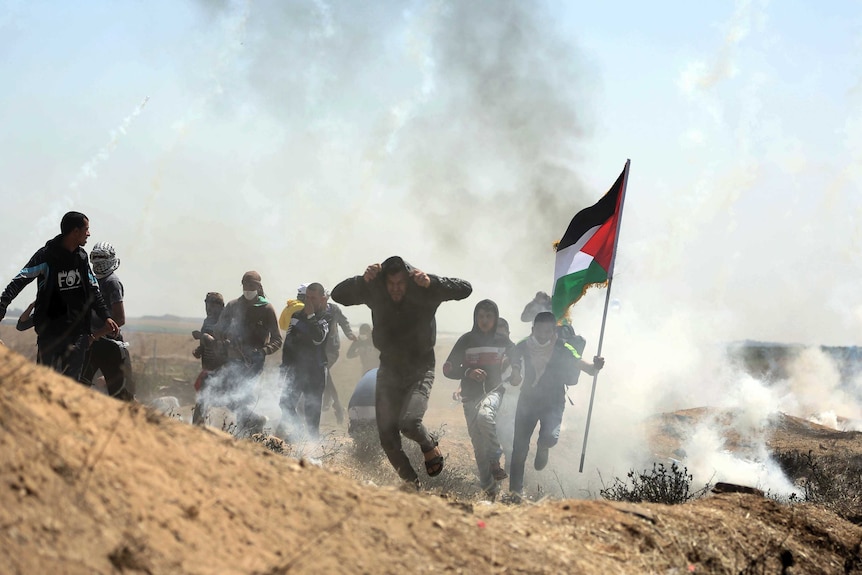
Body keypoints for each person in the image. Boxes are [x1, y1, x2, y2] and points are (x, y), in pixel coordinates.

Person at [331, 256, 472, 487]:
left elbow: (465, 289)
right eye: (391, 284)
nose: (396, 289)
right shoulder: (375, 292)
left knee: (409, 423)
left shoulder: (424, 292)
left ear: (408, 282)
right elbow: (338, 295)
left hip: (420, 368)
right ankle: (411, 484)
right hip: (389, 368)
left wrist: (432, 282)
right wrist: (362, 280)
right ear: (384, 283)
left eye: (400, 284)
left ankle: (428, 444)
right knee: (387, 437)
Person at [0, 211, 118, 381]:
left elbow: (93, 290)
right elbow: (20, 280)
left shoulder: (82, 258)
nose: (89, 234)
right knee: (45, 384)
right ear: (75, 231)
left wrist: (105, 316)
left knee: (71, 386)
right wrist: (2, 305)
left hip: (78, 335)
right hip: (50, 334)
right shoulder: (46, 256)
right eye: (86, 229)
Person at [508, 311, 604, 500]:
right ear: (532, 329)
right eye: (539, 331)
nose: (543, 336)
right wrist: (516, 372)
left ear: (554, 332)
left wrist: (594, 367)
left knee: (550, 437)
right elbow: (513, 359)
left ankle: (543, 447)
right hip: (527, 401)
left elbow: (581, 364)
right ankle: (515, 493)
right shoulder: (523, 345)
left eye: (547, 332)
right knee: (519, 448)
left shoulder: (562, 346)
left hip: (553, 402)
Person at [443, 299, 517, 499]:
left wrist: (516, 371)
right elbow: (448, 368)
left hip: (494, 391)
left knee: (485, 415)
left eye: (489, 316)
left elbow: (517, 353)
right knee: (477, 446)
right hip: (469, 396)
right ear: (475, 318)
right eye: (481, 316)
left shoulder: (502, 341)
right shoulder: (466, 340)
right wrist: (468, 372)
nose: (485, 321)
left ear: (495, 318)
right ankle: (489, 491)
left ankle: (495, 460)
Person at [205, 271, 282, 436]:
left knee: (242, 395)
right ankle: (250, 424)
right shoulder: (233, 306)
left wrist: (262, 352)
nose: (248, 288)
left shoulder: (266, 308)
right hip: (233, 360)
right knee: (232, 397)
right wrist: (227, 336)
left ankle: (249, 428)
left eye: (252, 285)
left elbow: (277, 340)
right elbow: (218, 329)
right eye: (245, 285)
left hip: (254, 363)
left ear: (258, 287)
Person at [79, 242, 134, 401]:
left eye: (101, 257)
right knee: (78, 386)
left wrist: (94, 335)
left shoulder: (112, 282)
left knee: (122, 396)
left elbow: (119, 319)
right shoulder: (92, 281)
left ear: (111, 258)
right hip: (92, 343)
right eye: (95, 257)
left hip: (110, 345)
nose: (97, 261)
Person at [277, 282, 330, 440]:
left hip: (315, 371)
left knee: (312, 410)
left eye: (313, 298)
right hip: (296, 369)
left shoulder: (326, 317)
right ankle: (299, 433)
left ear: (321, 299)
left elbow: (318, 338)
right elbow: (289, 342)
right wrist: (285, 366)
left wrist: (311, 316)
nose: (309, 301)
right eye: (307, 297)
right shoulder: (296, 316)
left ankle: (314, 444)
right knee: (285, 403)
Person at [191, 292, 228, 425]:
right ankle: (197, 429)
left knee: (231, 401)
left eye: (212, 305)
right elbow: (204, 344)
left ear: (221, 306)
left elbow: (227, 345)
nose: (209, 308)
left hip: (224, 369)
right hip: (208, 368)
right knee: (202, 400)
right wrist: (199, 350)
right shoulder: (207, 321)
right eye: (207, 304)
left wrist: (202, 336)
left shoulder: (227, 322)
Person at [321, 290, 356, 424]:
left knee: (324, 370)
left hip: (332, 349)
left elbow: (343, 321)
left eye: (324, 298)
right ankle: (336, 405)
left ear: (326, 298)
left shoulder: (334, 309)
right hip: (319, 350)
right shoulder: (316, 310)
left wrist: (349, 333)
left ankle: (332, 402)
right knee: (324, 373)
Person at [347, 367, 379, 453]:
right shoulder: (387, 376)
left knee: (359, 435)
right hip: (373, 407)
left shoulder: (365, 377)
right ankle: (372, 459)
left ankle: (359, 456)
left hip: (353, 408)